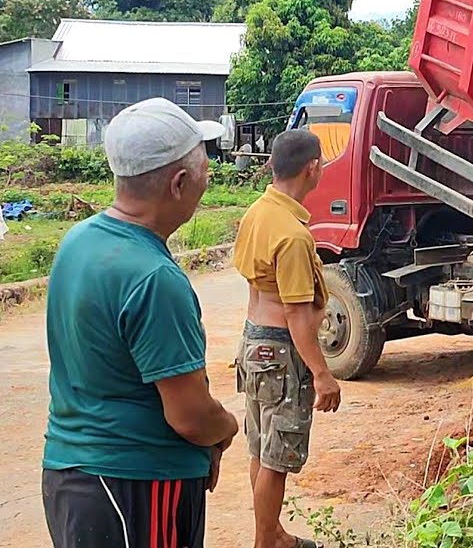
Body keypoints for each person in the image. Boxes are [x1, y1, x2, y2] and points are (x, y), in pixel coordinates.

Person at [42, 97, 238, 548]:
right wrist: (226, 427)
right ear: (180, 183)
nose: (209, 174)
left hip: (72, 479)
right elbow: (191, 417)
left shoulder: (78, 242)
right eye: (205, 163)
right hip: (137, 485)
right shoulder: (155, 279)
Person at [234, 129, 338, 548]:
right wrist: (322, 374)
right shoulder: (293, 236)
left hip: (254, 343)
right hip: (281, 350)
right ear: (312, 168)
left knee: (261, 449)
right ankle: (267, 541)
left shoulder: (258, 212)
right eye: (322, 162)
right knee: (277, 459)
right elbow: (296, 314)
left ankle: (271, 532)